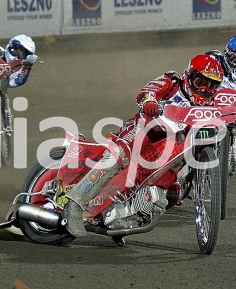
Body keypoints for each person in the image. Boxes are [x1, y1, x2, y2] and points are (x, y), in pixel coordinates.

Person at [68, 54, 225, 214]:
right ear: (188, 76)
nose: (205, 89)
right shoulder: (171, 82)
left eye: (211, 86)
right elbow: (148, 91)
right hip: (144, 131)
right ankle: (74, 202)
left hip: (169, 151)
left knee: (172, 192)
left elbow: (229, 110)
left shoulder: (211, 104)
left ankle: (125, 209)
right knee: (118, 156)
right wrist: (149, 101)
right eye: (201, 82)